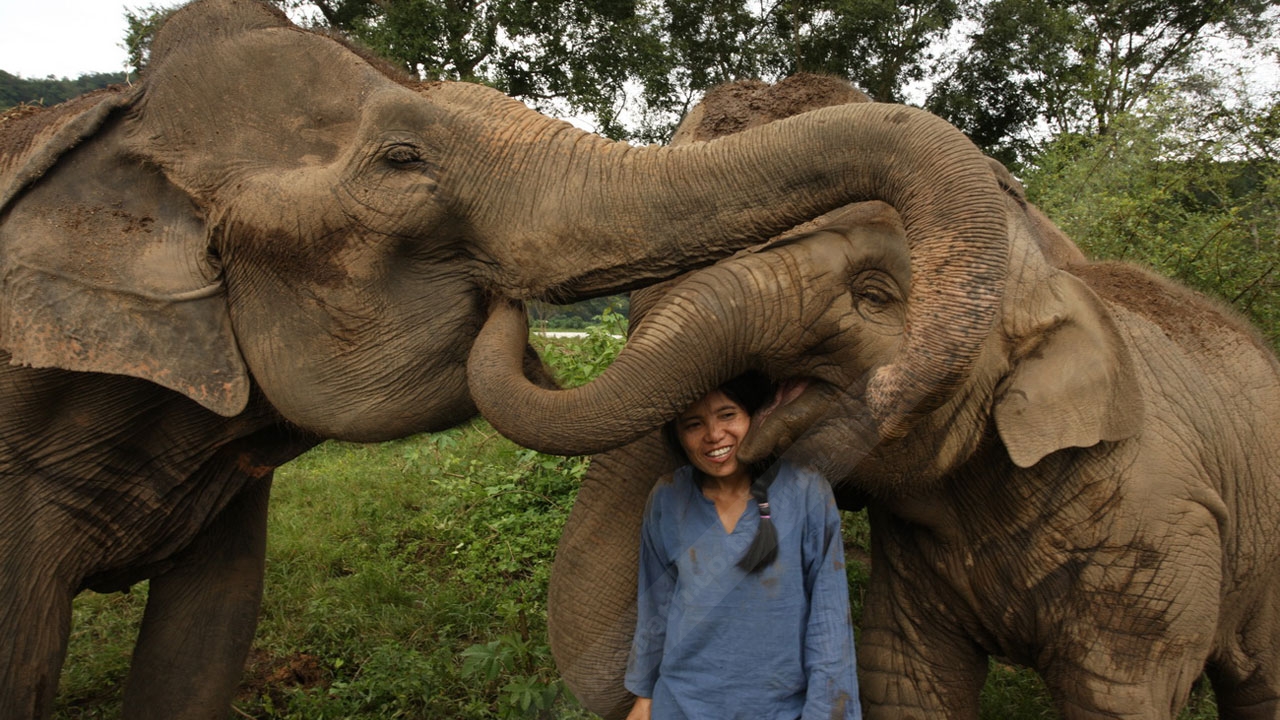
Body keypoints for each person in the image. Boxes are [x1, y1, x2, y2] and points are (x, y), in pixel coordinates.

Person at [624, 371, 861, 719]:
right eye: (693, 424)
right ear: (678, 437)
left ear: (756, 417)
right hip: (680, 705)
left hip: (777, 710)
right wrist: (645, 698)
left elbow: (828, 619)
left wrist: (827, 712)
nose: (714, 435)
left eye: (728, 415)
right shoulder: (668, 497)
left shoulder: (805, 491)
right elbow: (656, 607)